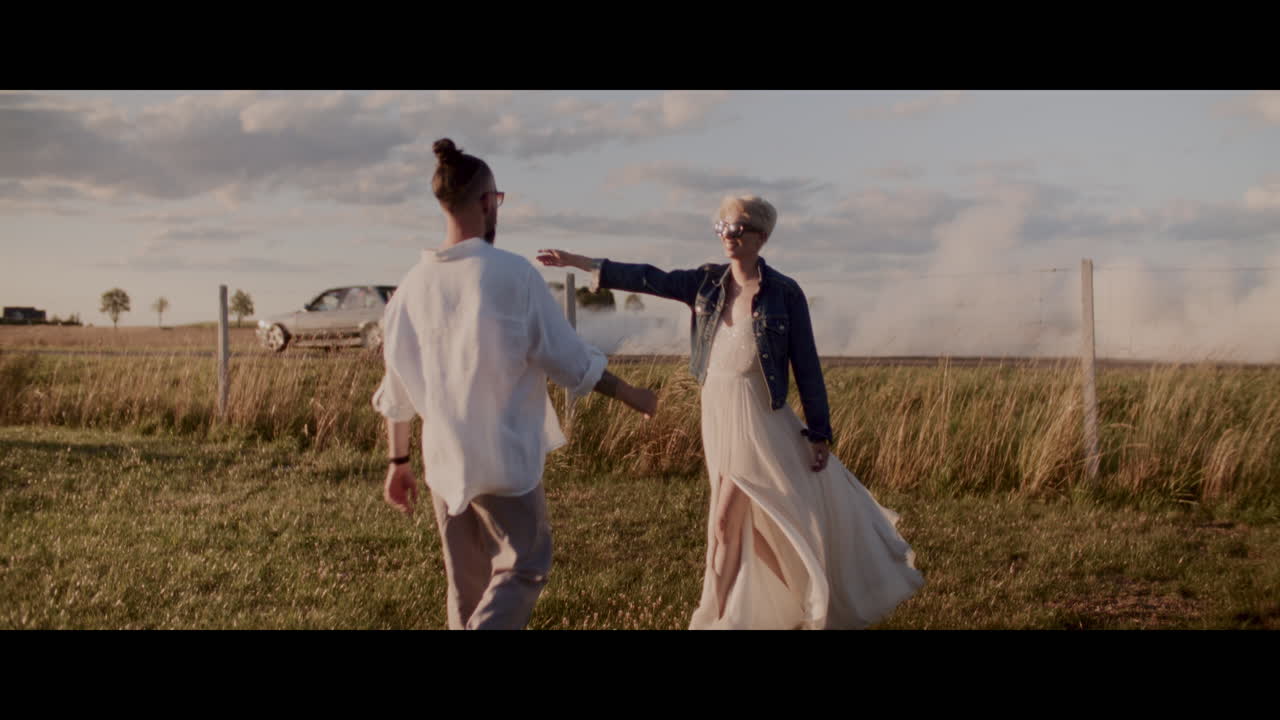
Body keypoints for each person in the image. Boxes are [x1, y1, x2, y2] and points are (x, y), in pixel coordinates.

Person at [537, 195, 923, 629]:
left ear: (760, 236)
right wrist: (582, 262)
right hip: (717, 413)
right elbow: (651, 278)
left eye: (738, 230)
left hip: (756, 420)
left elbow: (807, 366)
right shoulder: (706, 283)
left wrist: (819, 430)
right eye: (723, 228)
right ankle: (808, 602)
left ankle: (714, 618)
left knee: (723, 526)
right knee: (751, 530)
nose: (729, 237)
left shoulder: (784, 293)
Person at [373, 138, 658, 630]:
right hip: (503, 459)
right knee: (525, 563)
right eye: (498, 200)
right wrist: (633, 394)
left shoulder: (409, 289)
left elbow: (396, 389)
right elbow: (569, 359)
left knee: (467, 587)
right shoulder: (513, 276)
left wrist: (398, 462)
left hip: (445, 464)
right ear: (487, 203)